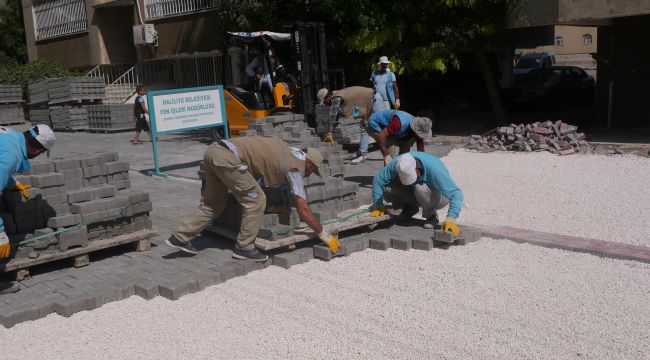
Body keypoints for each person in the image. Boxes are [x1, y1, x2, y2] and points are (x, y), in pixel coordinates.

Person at [166, 136, 340, 261]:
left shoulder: (284, 150)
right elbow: (303, 210)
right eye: (312, 171)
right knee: (256, 201)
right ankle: (244, 248)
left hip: (214, 151)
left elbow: (256, 175)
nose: (310, 174)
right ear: (309, 163)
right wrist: (324, 235)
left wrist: (270, 208)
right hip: (228, 159)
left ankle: (179, 237)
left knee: (213, 204)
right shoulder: (295, 168)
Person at [0, 124, 56, 294]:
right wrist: (0, 231)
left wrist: (10, 182)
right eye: (40, 153)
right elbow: (5, 162)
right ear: (37, 150)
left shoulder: (9, 134)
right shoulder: (12, 156)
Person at [370, 152, 463, 233]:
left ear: (417, 168)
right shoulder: (398, 164)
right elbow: (378, 180)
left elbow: (456, 193)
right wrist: (378, 205)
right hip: (417, 193)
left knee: (420, 188)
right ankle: (410, 208)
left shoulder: (435, 170)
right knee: (387, 188)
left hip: (440, 197)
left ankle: (431, 216)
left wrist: (451, 217)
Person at [317, 86, 375, 164]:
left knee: (376, 126)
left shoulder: (336, 98)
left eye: (324, 101)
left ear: (328, 97)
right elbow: (336, 117)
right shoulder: (337, 95)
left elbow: (333, 116)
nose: (325, 104)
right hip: (369, 100)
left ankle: (364, 154)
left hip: (373, 99)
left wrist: (329, 133)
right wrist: (329, 133)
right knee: (365, 127)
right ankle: (362, 152)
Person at [367, 109, 432, 165]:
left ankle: (400, 168)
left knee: (407, 147)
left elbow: (420, 147)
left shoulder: (419, 126)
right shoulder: (399, 123)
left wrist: (421, 162)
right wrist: (386, 156)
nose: (420, 136)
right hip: (375, 124)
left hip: (392, 128)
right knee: (391, 154)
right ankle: (388, 176)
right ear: (415, 129)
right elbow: (380, 136)